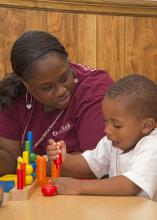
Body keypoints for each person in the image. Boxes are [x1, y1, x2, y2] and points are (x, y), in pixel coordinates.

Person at [0, 30, 113, 176]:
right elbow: (11, 159)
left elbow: (97, 165)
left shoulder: (95, 90)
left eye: (64, 77)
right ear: (26, 84)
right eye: (47, 87)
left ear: (68, 61)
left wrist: (38, 165)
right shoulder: (13, 95)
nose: (60, 91)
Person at [47, 74, 157, 201]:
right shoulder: (112, 142)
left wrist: (79, 186)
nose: (107, 130)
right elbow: (89, 164)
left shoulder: (153, 146)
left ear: (147, 126)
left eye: (117, 125)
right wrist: (65, 159)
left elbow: (130, 185)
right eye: (105, 122)